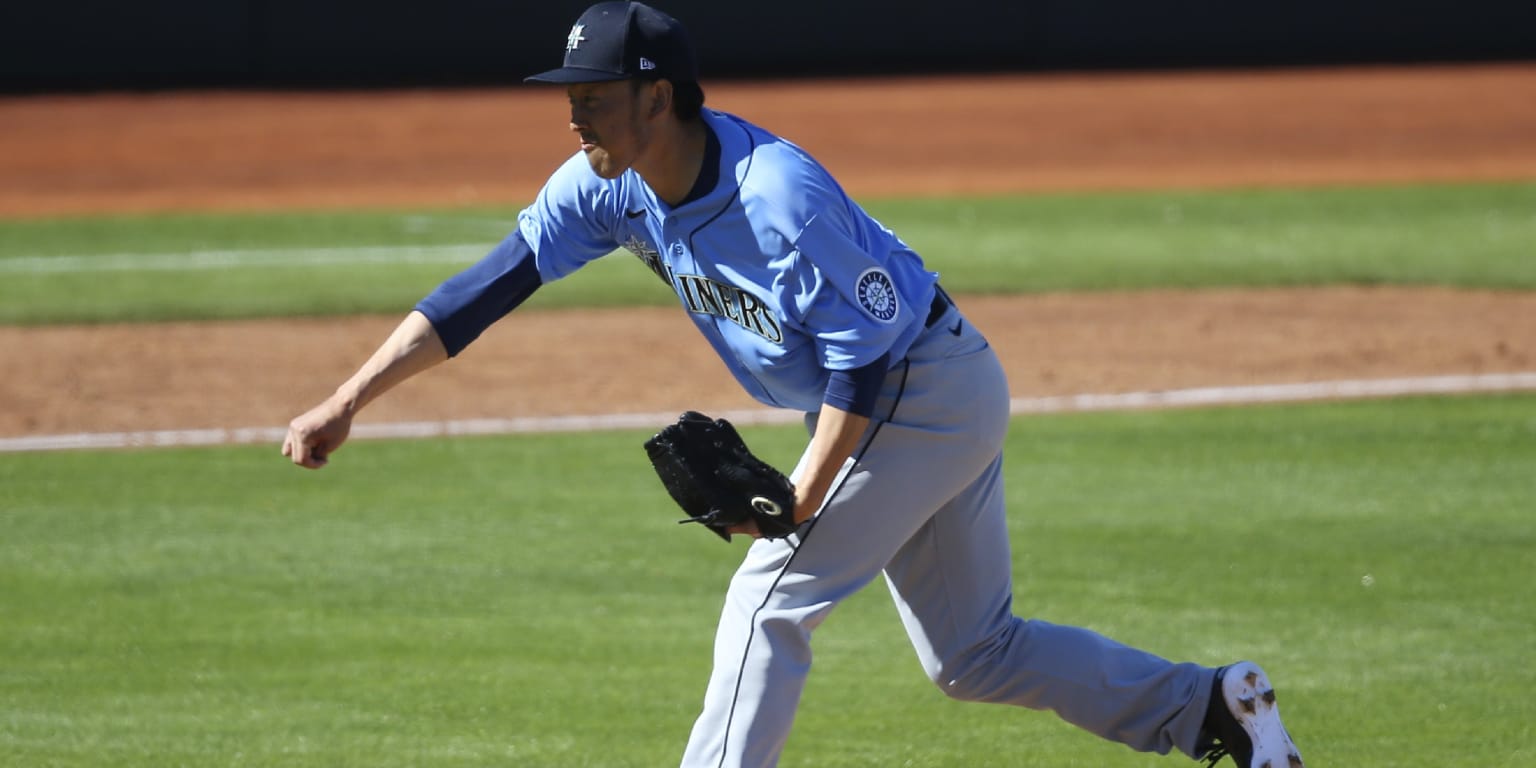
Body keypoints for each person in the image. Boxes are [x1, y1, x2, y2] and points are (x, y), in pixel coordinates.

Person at [281, 3, 1307, 767]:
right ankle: (1213, 708)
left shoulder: (777, 193)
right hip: (917, 394)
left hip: (922, 389)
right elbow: (484, 288)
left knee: (770, 594)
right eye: (568, 97)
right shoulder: (605, 184)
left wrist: (802, 498)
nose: (572, 115)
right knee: (976, 655)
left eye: (590, 96)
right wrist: (348, 399)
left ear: (657, 96)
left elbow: (865, 360)